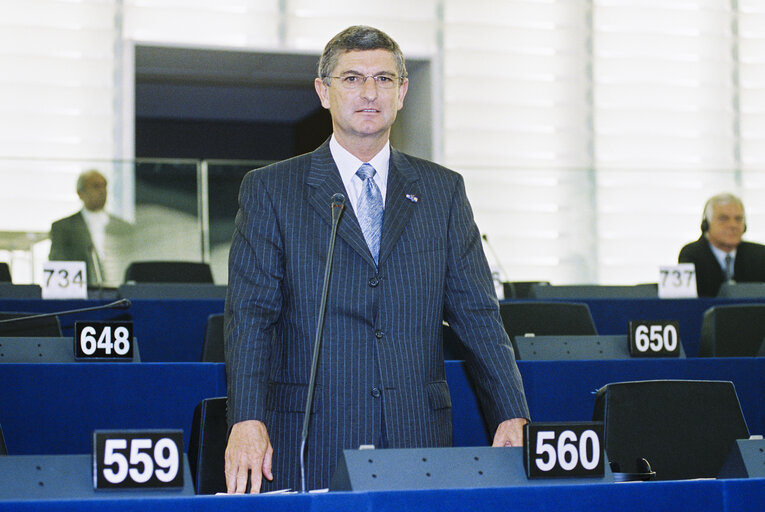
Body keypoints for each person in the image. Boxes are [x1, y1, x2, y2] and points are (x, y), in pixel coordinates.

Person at [224, 25, 530, 493]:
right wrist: (246, 419)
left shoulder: (443, 191)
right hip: (312, 436)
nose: (370, 93)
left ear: (403, 92)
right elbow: (250, 319)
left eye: (385, 79)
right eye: (351, 79)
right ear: (323, 92)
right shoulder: (271, 190)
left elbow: (479, 316)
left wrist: (512, 412)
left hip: (417, 437)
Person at [49, 169, 132, 287]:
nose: (102, 191)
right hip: (81, 294)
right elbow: (57, 265)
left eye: (104, 186)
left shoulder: (123, 227)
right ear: (80, 193)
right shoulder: (63, 227)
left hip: (119, 292)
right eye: (96, 186)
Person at [679, 192, 765, 297]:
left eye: (738, 219)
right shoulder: (691, 255)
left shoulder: (760, 255)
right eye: (723, 219)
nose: (733, 225)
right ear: (706, 224)